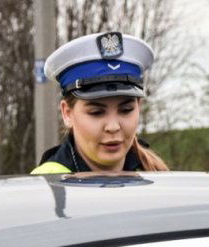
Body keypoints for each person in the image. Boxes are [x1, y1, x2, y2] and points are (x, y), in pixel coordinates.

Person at [31, 32, 169, 175]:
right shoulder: (46, 186)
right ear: (67, 113)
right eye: (96, 112)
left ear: (138, 107)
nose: (113, 127)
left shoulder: (157, 176)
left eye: (126, 110)